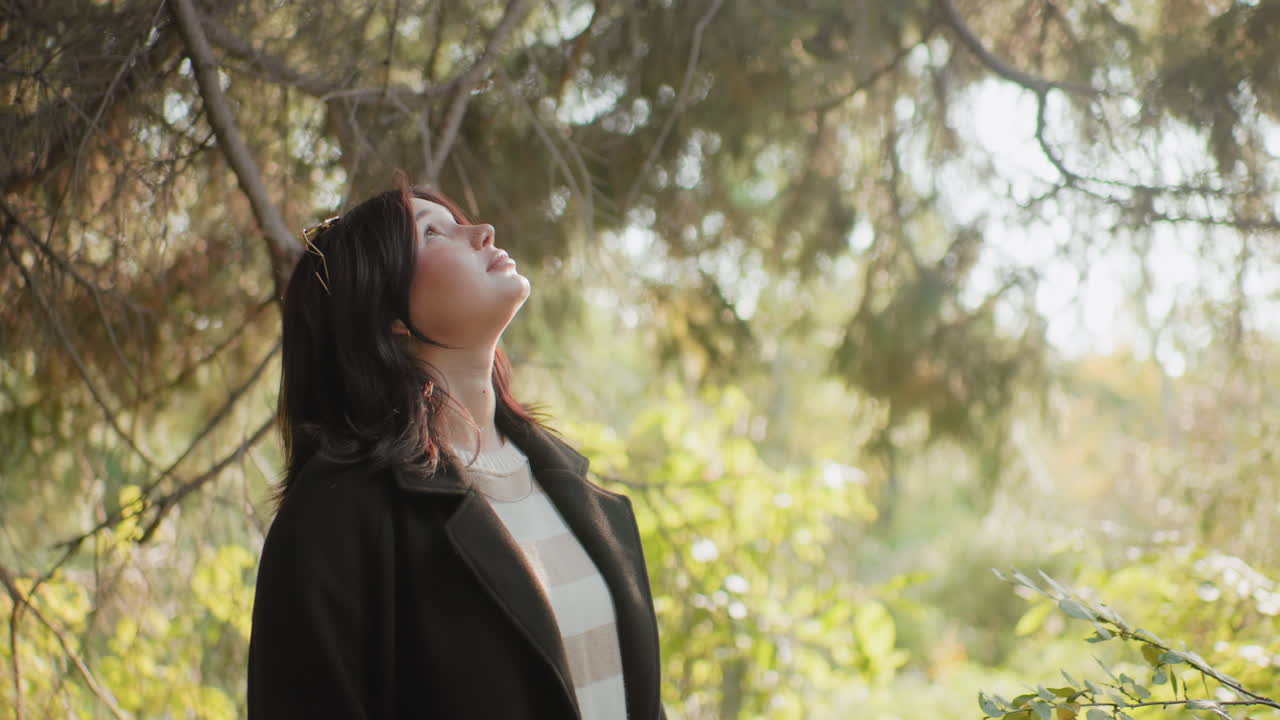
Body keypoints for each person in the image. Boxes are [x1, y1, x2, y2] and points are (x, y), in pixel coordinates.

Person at [247, 183, 666, 720]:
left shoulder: (574, 488)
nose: (481, 231)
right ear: (388, 313)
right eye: (431, 232)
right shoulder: (336, 520)